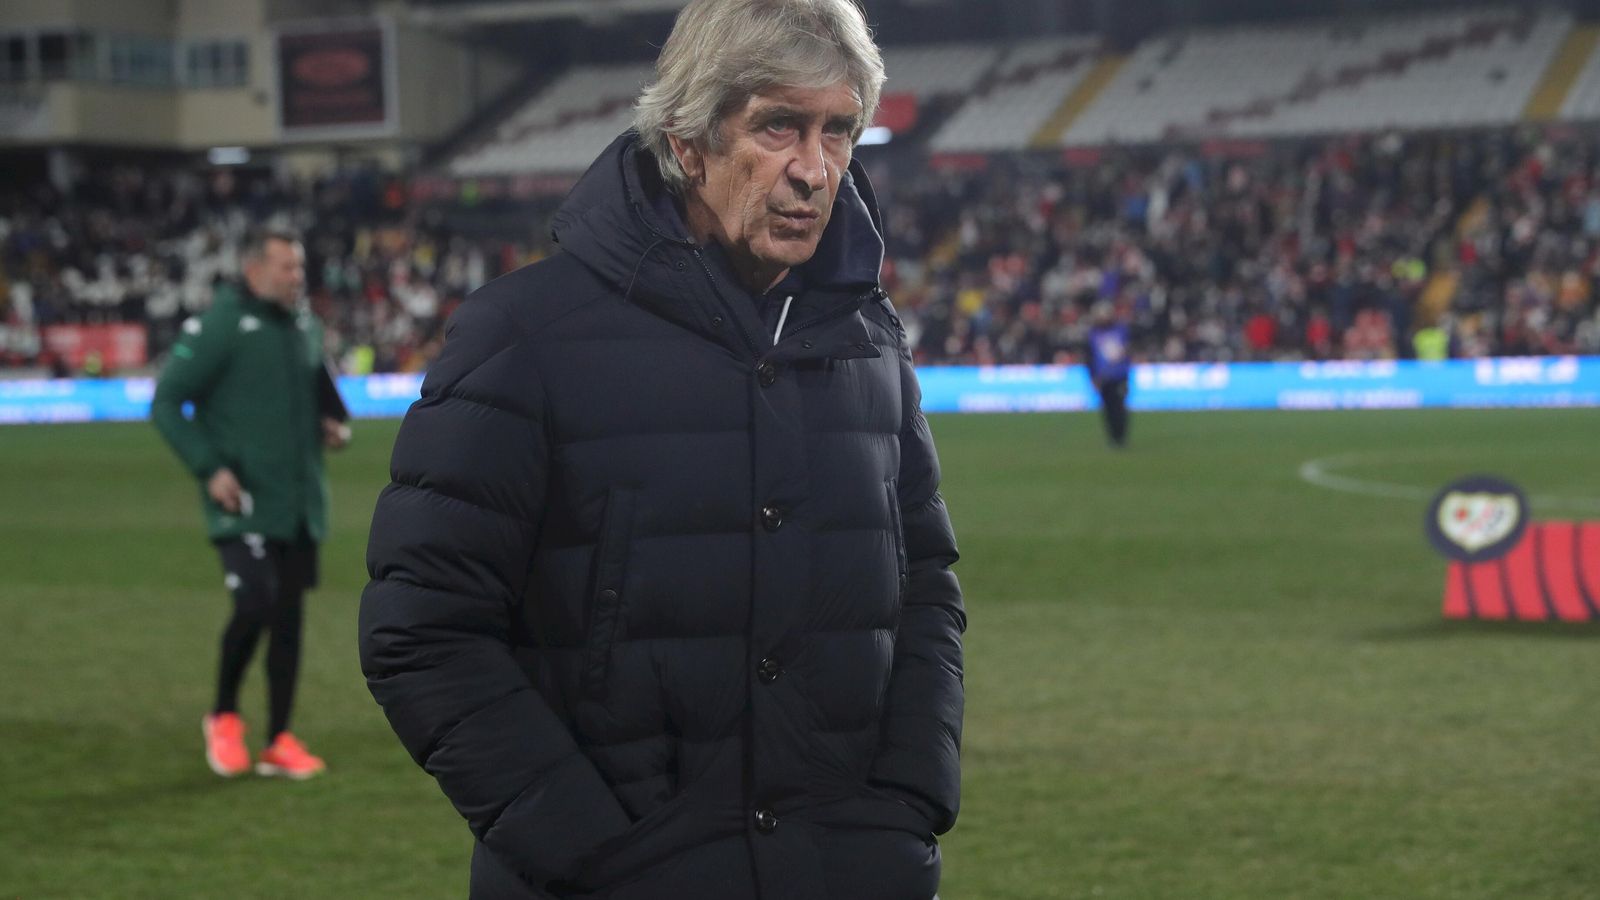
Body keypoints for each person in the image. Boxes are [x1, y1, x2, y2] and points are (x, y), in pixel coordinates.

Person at [358, 1, 966, 897]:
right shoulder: (524, 337)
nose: (815, 169)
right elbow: (421, 628)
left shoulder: (871, 341)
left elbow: (927, 588)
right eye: (779, 127)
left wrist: (907, 805)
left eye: (838, 131)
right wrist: (597, 856)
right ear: (688, 143)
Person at [152, 228, 349, 780]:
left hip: (299, 502)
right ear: (255, 270)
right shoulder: (221, 324)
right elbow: (166, 401)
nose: (297, 277)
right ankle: (223, 715)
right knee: (255, 602)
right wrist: (209, 468)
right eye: (286, 267)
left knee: (288, 619)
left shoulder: (304, 326)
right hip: (242, 497)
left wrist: (334, 428)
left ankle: (279, 738)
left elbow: (325, 399)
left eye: (299, 267)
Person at [1086, 302, 1132, 448]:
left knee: (1119, 407)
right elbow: (1090, 358)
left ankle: (1120, 436)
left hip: (1119, 375)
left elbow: (1127, 351)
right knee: (1108, 409)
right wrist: (1093, 376)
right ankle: (1113, 437)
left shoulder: (1121, 330)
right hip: (1103, 377)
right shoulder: (1093, 334)